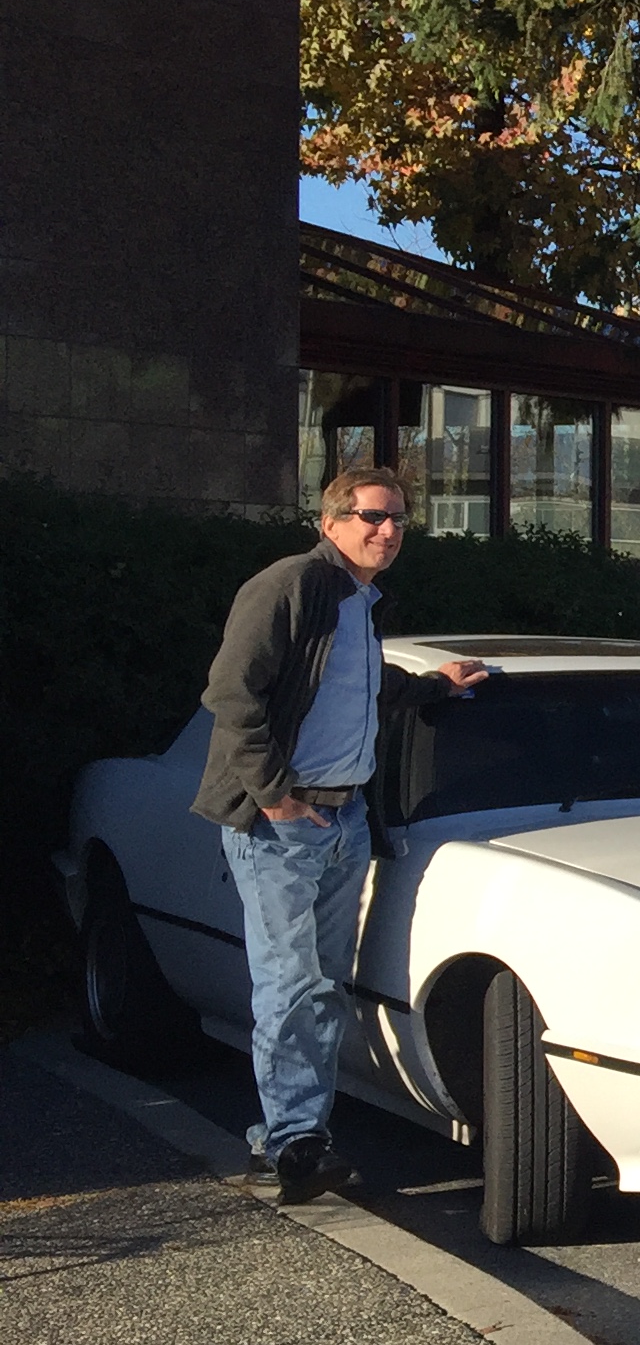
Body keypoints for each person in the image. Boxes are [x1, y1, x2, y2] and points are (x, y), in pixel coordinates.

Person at [195, 466, 488, 1201]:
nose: (385, 531)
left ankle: (290, 1136)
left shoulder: (361, 603)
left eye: (396, 520)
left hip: (346, 817)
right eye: (369, 517)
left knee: (322, 986)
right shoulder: (292, 584)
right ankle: (296, 1142)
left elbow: (358, 689)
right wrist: (277, 798)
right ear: (330, 522)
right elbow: (232, 695)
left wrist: (434, 686)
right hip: (283, 824)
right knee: (293, 985)